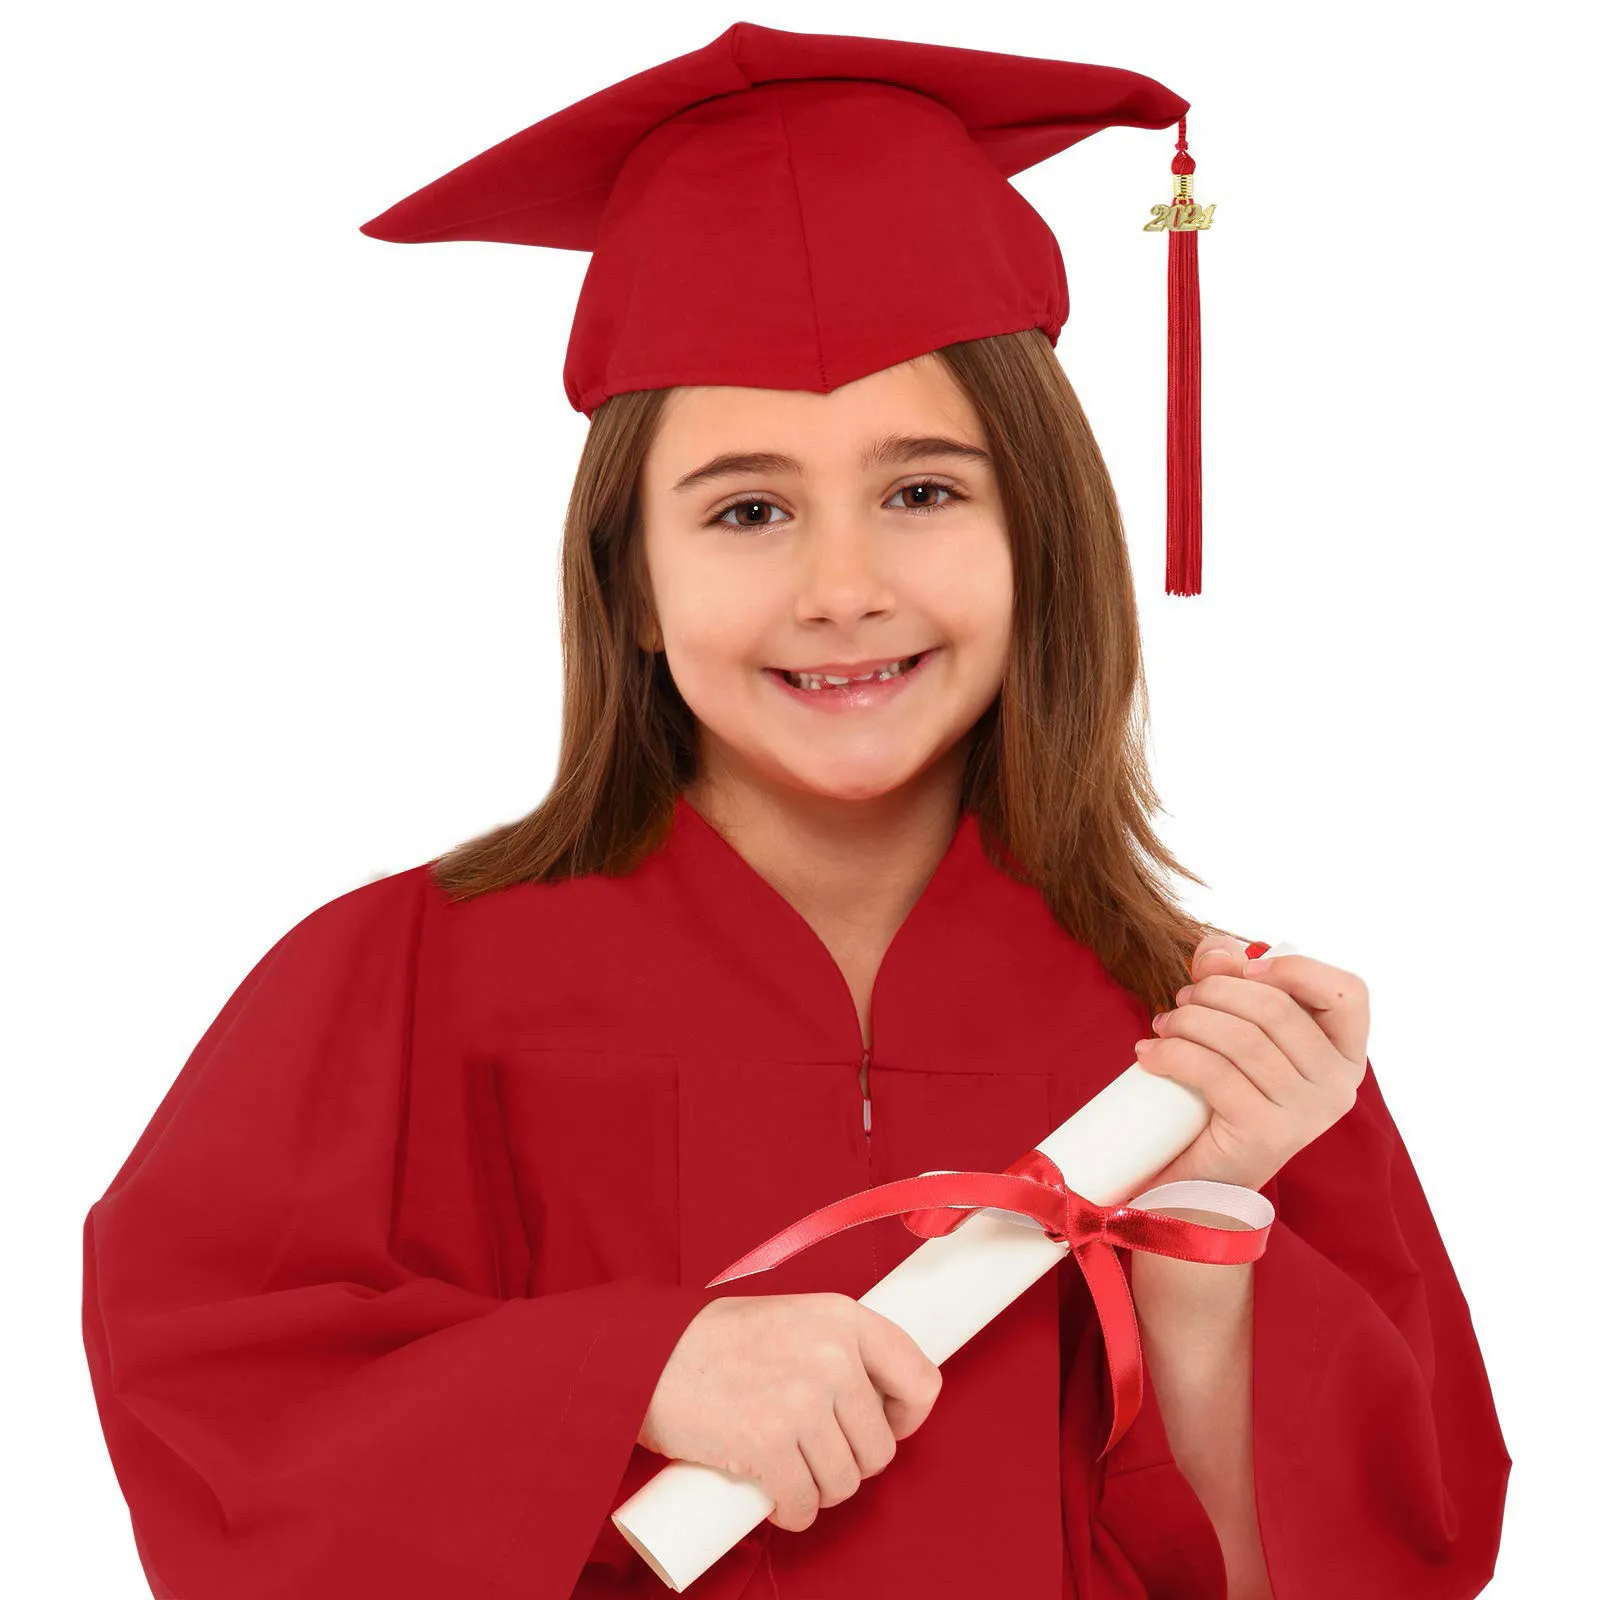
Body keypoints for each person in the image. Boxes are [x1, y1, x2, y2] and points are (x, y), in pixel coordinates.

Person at [81, 21, 1512, 1600]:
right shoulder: (399, 985)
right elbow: (220, 1416)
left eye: (924, 490)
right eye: (748, 508)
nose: (844, 590)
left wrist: (1206, 1214)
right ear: (629, 580)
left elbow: (1362, 1565)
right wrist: (636, 1371)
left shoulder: (1203, 1046)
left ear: (1043, 534)